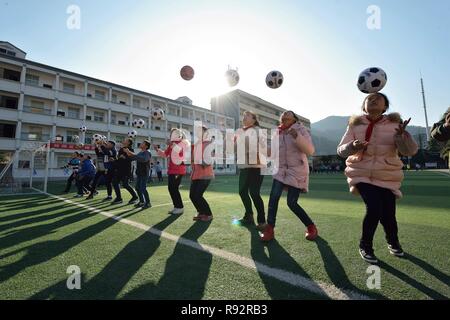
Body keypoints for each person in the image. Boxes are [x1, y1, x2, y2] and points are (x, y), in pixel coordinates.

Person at [337, 92, 418, 264]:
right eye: (369, 99)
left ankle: (393, 241)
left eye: (378, 99)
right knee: (374, 208)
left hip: (387, 174)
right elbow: (341, 150)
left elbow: (409, 151)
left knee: (389, 214)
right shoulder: (354, 125)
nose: (373, 100)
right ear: (364, 106)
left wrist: (402, 136)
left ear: (385, 106)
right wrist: (352, 146)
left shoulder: (395, 124)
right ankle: (365, 245)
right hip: (362, 173)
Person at [260, 111, 318, 242]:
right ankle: (269, 229)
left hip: (296, 170)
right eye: (283, 114)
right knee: (273, 198)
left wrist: (297, 136)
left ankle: (311, 226)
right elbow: (271, 153)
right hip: (280, 170)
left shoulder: (300, 129)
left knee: (292, 203)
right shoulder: (277, 132)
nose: (284, 115)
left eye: (288, 114)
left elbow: (310, 150)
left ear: (294, 119)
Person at [235, 110, 267, 230]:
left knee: (254, 193)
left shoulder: (257, 130)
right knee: (242, 191)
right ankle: (249, 216)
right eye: (243, 115)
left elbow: (260, 147)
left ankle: (262, 221)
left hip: (257, 166)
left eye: (247, 116)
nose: (244, 117)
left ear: (254, 119)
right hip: (245, 166)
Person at [155, 128, 188, 215]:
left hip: (178, 170)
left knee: (174, 188)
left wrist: (172, 144)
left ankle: (180, 207)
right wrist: (157, 150)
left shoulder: (182, 143)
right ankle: (177, 207)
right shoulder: (172, 145)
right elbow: (165, 154)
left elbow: (181, 154)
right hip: (172, 170)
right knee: (171, 188)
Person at [190, 126, 215, 221]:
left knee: (198, 195)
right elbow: (192, 160)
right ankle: (201, 212)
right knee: (192, 196)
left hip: (205, 175)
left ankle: (209, 214)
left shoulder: (209, 144)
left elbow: (208, 162)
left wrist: (198, 160)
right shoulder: (196, 145)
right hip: (196, 175)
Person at [124, 140, 152, 209]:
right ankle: (142, 202)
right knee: (137, 188)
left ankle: (148, 203)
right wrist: (128, 153)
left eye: (142, 143)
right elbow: (133, 158)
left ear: (146, 146)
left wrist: (130, 153)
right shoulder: (140, 152)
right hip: (139, 173)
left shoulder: (147, 152)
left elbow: (143, 159)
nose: (140, 143)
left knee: (143, 188)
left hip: (145, 173)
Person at [111, 138, 139, 204]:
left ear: (129, 143)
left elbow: (132, 159)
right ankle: (119, 198)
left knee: (125, 184)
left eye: (125, 140)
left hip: (126, 170)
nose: (123, 140)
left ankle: (135, 197)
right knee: (114, 182)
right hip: (119, 169)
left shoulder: (130, 149)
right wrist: (114, 160)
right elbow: (119, 159)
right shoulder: (121, 149)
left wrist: (125, 158)